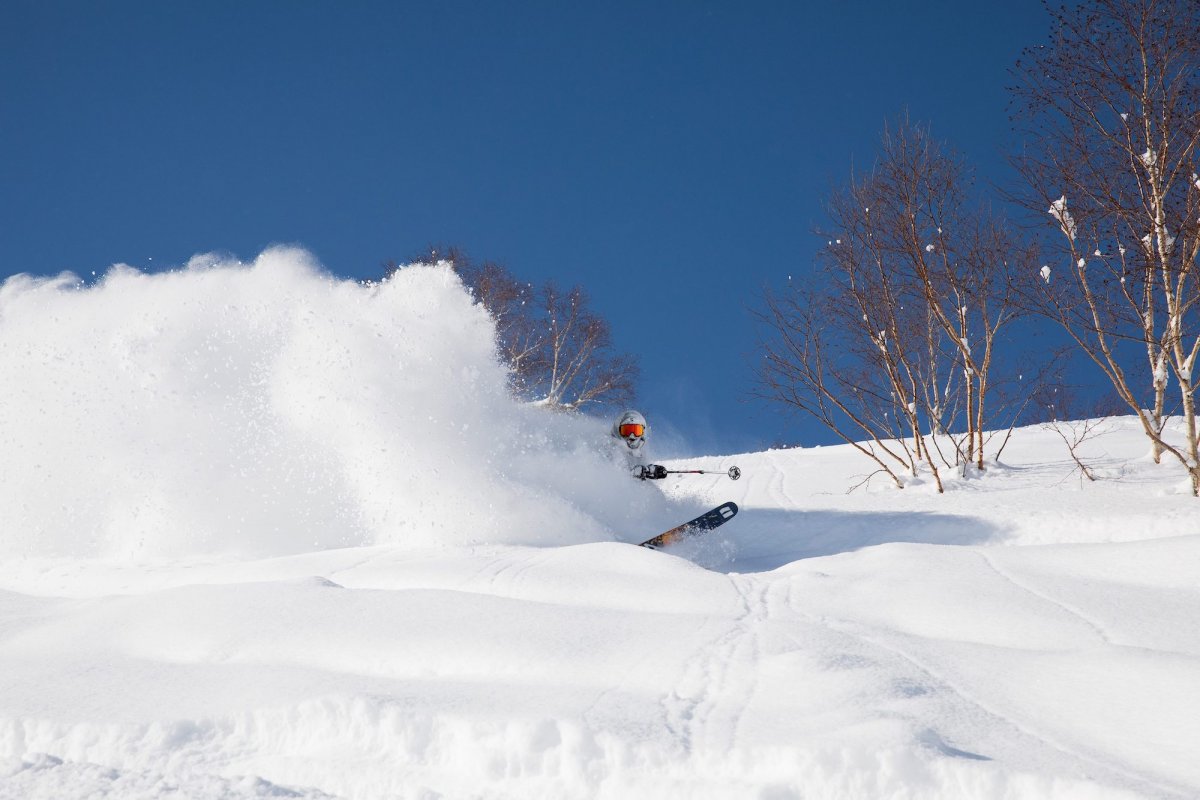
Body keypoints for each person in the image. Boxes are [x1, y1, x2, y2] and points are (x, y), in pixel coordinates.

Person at [611, 409, 668, 480]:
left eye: (636, 431)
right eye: (626, 431)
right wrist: (634, 472)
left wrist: (653, 470)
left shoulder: (638, 454)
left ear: (643, 433)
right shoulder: (610, 448)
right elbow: (612, 471)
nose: (632, 436)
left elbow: (640, 471)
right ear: (618, 431)